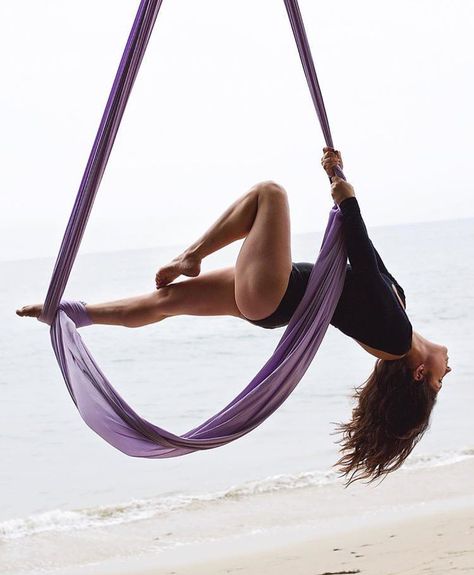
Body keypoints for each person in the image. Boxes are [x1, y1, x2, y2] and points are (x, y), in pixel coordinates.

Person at [16, 148, 451, 484]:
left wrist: (348, 202)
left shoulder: (396, 340)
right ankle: (67, 313)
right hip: (270, 300)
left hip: (276, 291)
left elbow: (362, 261)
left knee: (270, 194)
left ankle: (191, 255)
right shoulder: (398, 321)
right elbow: (369, 259)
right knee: (165, 303)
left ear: (418, 375)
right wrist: (339, 182)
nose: (446, 370)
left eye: (438, 379)